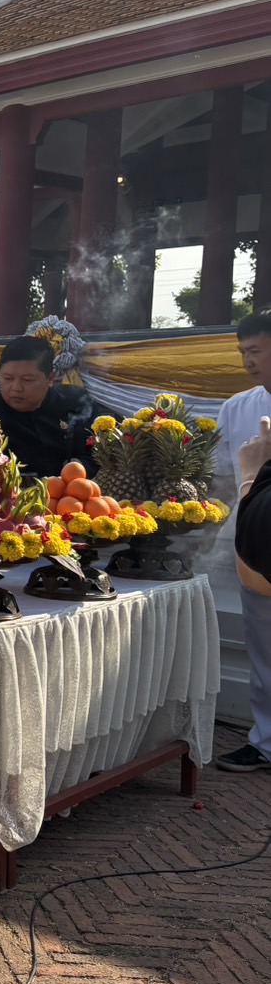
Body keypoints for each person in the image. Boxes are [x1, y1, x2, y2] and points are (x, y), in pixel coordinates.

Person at [216, 311, 271, 772]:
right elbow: (219, 478)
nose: (247, 361)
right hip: (254, 542)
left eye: (255, 350)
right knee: (263, 643)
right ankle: (266, 740)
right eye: (242, 352)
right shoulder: (237, 407)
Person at [0, 336, 97, 478]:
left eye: (27, 380)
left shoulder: (75, 404)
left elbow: (96, 453)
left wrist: (78, 467)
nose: (16, 388)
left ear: (50, 378)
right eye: (8, 378)